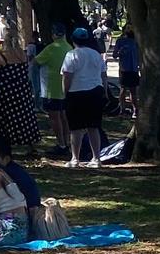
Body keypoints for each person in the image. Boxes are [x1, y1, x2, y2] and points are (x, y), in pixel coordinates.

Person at [0, 31, 42, 156]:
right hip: (22, 90)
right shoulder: (22, 55)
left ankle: (2, 144)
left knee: (3, 118)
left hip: (5, 92)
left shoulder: (0, 58)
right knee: (25, 116)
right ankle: (30, 144)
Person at [62, 27, 107, 168]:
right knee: (93, 126)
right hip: (95, 92)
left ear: (73, 40)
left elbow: (67, 76)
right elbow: (103, 75)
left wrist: (65, 92)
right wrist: (104, 92)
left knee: (75, 128)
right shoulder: (96, 54)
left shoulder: (71, 55)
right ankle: (96, 158)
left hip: (77, 92)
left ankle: (75, 159)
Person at [33, 24, 72, 157]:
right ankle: (66, 142)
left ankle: (61, 144)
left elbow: (36, 61)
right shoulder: (69, 48)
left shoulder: (51, 48)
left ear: (54, 34)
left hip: (52, 88)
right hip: (65, 89)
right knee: (64, 117)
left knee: (55, 118)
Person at [112, 25, 140, 118]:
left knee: (133, 91)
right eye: (128, 28)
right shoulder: (120, 41)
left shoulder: (137, 42)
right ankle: (122, 110)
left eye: (131, 28)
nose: (130, 30)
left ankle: (135, 110)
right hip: (124, 69)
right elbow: (114, 55)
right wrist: (120, 52)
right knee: (123, 89)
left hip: (134, 69)